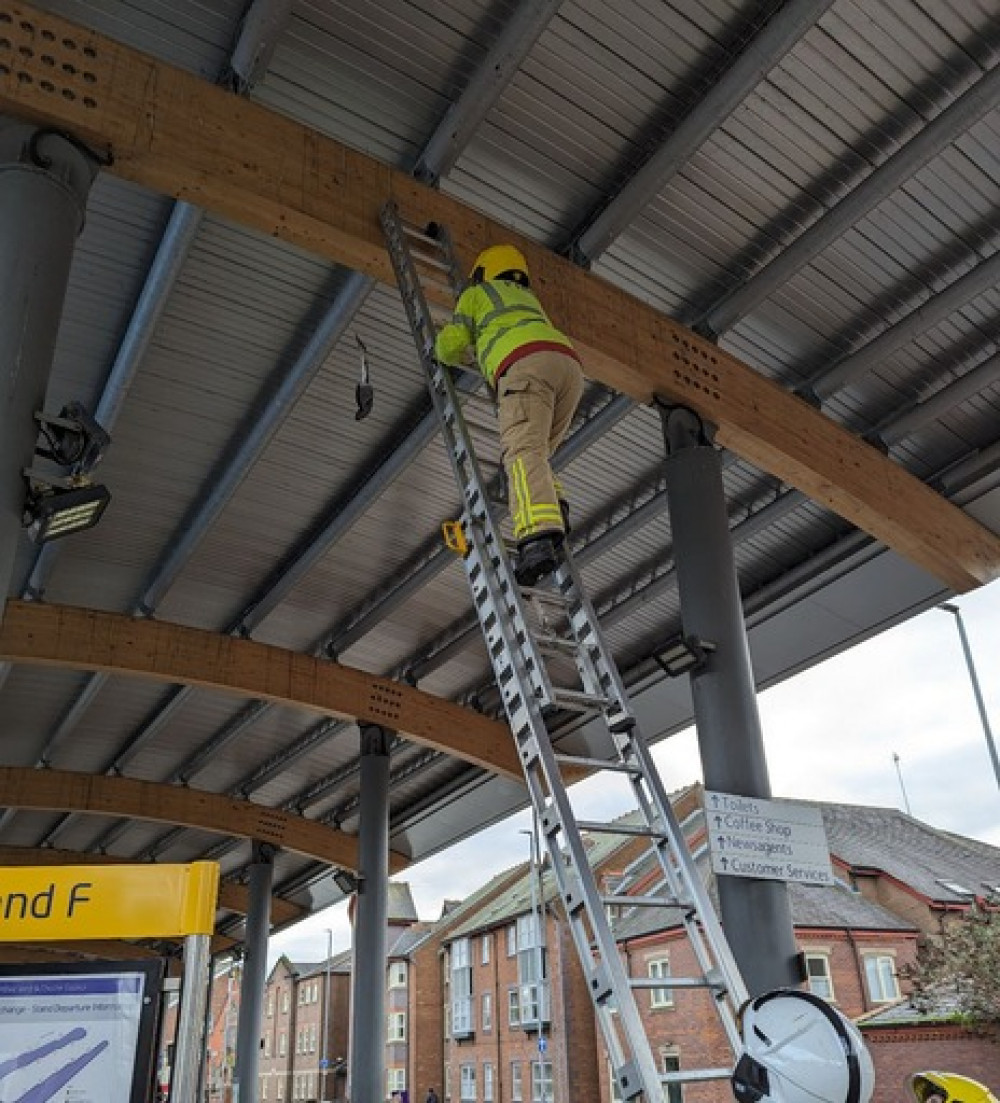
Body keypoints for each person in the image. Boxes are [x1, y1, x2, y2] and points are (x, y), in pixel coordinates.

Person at [434, 244, 584, 586]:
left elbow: (450, 345)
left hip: (526, 367)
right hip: (568, 366)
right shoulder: (528, 301)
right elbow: (507, 339)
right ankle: (554, 508)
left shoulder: (476, 294)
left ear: (483, 272)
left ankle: (536, 537)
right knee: (538, 454)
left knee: (522, 451)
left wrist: (442, 342)